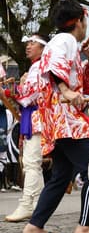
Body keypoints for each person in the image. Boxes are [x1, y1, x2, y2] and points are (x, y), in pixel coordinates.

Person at [21, 1, 89, 233]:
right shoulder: (64, 41)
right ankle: (85, 228)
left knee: (61, 175)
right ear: (80, 20)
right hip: (66, 120)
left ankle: (34, 226)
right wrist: (65, 90)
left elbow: (85, 87)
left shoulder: (62, 44)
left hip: (57, 120)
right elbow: (55, 71)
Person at [4, 33, 49, 222]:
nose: (28, 46)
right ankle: (37, 204)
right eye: (28, 43)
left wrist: (7, 91)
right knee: (33, 164)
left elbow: (28, 96)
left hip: (37, 117)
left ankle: (27, 204)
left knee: (31, 163)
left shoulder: (40, 67)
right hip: (34, 117)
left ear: (42, 47)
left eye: (33, 43)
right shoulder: (36, 67)